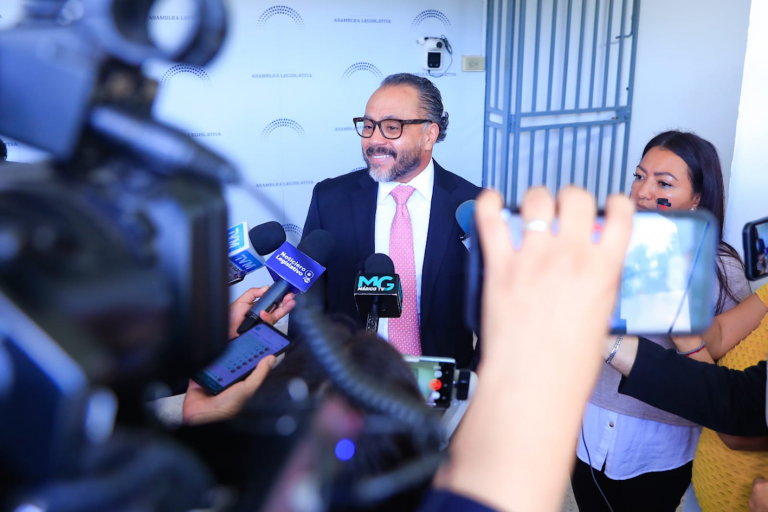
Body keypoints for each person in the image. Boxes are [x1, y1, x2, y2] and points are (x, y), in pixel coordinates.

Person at [573, 130, 752, 512]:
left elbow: (727, 381)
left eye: (664, 183)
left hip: (662, 445)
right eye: (639, 176)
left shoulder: (720, 268)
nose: (643, 191)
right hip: (590, 429)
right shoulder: (602, 247)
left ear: (697, 198)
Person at [297, 73, 481, 368]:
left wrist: (474, 379)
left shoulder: (473, 206)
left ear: (429, 134)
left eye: (392, 127)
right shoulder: (329, 199)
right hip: (349, 375)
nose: (373, 140)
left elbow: (497, 309)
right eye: (368, 126)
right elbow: (305, 297)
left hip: (440, 381)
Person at [603, 281, 768, 511]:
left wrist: (610, 342)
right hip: (703, 488)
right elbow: (721, 334)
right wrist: (670, 302)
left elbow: (739, 417)